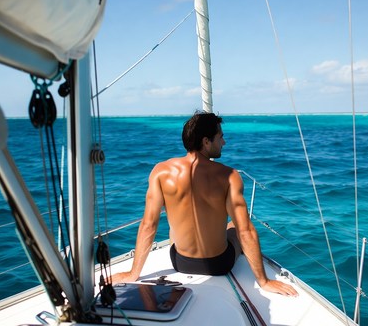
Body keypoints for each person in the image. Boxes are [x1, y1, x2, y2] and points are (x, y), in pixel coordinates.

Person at [111, 111, 298, 296]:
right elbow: (245, 231)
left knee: (172, 229)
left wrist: (133, 273)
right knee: (235, 225)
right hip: (219, 264)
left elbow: (148, 225)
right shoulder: (229, 176)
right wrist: (264, 281)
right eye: (220, 137)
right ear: (206, 141)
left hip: (179, 261)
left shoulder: (160, 171)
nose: (224, 142)